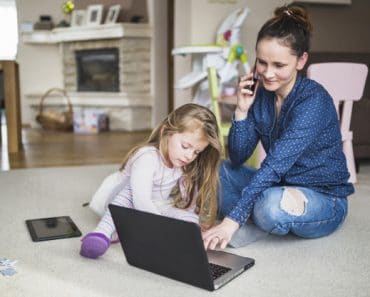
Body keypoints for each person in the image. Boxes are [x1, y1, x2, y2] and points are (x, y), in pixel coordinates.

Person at [202, 4, 354, 250]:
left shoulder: (313, 101)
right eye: (262, 63)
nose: (268, 74)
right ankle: (253, 219)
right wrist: (241, 111)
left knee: (269, 206)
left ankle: (246, 221)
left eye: (279, 65)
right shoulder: (260, 94)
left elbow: (273, 166)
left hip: (324, 197)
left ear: (301, 60)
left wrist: (231, 220)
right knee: (216, 169)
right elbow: (239, 157)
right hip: (277, 185)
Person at [80, 103, 222, 258]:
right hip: (119, 205)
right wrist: (163, 229)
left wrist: (192, 225)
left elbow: (186, 204)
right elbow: (140, 201)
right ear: (166, 132)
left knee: (191, 221)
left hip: (152, 209)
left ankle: (171, 235)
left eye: (196, 152)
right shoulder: (147, 157)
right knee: (129, 192)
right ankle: (102, 233)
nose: (189, 156)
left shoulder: (183, 163)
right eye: (185, 146)